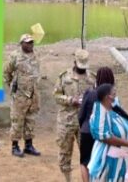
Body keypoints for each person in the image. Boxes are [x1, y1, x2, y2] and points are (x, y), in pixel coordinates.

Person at [54, 49, 96, 182]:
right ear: (75, 62)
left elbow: (98, 97)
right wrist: (70, 100)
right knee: (65, 154)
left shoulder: (92, 78)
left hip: (85, 123)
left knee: (88, 154)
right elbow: (56, 95)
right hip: (66, 122)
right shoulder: (64, 77)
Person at [88, 83, 128, 182]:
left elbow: (125, 126)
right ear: (108, 97)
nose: (116, 96)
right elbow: (105, 137)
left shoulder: (114, 110)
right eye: (114, 94)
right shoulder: (100, 113)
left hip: (122, 161)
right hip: (109, 163)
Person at [3, 34, 42, 157]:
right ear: (21, 44)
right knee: (17, 121)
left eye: (31, 42)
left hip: (33, 94)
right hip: (20, 95)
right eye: (27, 42)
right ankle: (15, 146)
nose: (30, 44)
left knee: (31, 120)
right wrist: (12, 87)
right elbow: (6, 72)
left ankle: (28, 145)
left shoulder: (36, 55)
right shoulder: (15, 56)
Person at [79, 67, 116, 182]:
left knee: (85, 162)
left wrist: (84, 127)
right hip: (104, 134)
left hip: (87, 132)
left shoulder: (89, 93)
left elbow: (81, 115)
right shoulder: (113, 98)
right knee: (101, 162)